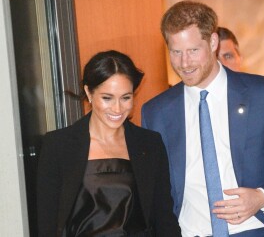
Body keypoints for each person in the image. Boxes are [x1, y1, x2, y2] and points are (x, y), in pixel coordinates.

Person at [141, 1, 264, 236]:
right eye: (176, 52)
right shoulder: (156, 112)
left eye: (193, 50)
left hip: (259, 229)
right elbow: (153, 191)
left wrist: (261, 197)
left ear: (213, 42)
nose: (184, 63)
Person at [37, 50, 181, 237]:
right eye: (107, 98)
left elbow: (164, 216)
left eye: (126, 97)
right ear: (89, 92)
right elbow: (47, 223)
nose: (117, 108)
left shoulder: (150, 144)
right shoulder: (58, 145)